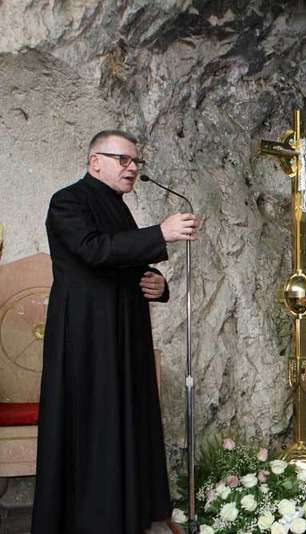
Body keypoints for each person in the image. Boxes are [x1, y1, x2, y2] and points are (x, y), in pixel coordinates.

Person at [32, 130, 199, 533]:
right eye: (123, 160)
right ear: (95, 162)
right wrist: (160, 233)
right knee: (96, 421)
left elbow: (122, 260)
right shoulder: (67, 201)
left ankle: (128, 513)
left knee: (126, 416)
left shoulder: (116, 206)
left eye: (135, 161)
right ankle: (95, 520)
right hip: (87, 334)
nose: (133, 168)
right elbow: (94, 251)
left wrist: (158, 284)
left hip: (124, 331)